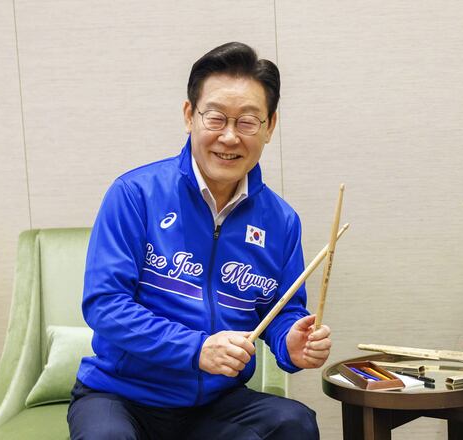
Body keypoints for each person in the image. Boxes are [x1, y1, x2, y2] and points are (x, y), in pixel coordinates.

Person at [67, 42, 328, 439]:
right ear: (190, 116)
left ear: (270, 126)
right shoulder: (135, 194)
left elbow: (282, 311)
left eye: (247, 122)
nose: (229, 137)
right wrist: (196, 349)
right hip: (122, 397)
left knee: (294, 423)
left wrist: (290, 340)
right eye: (216, 118)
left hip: (216, 404)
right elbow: (105, 305)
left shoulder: (281, 221)